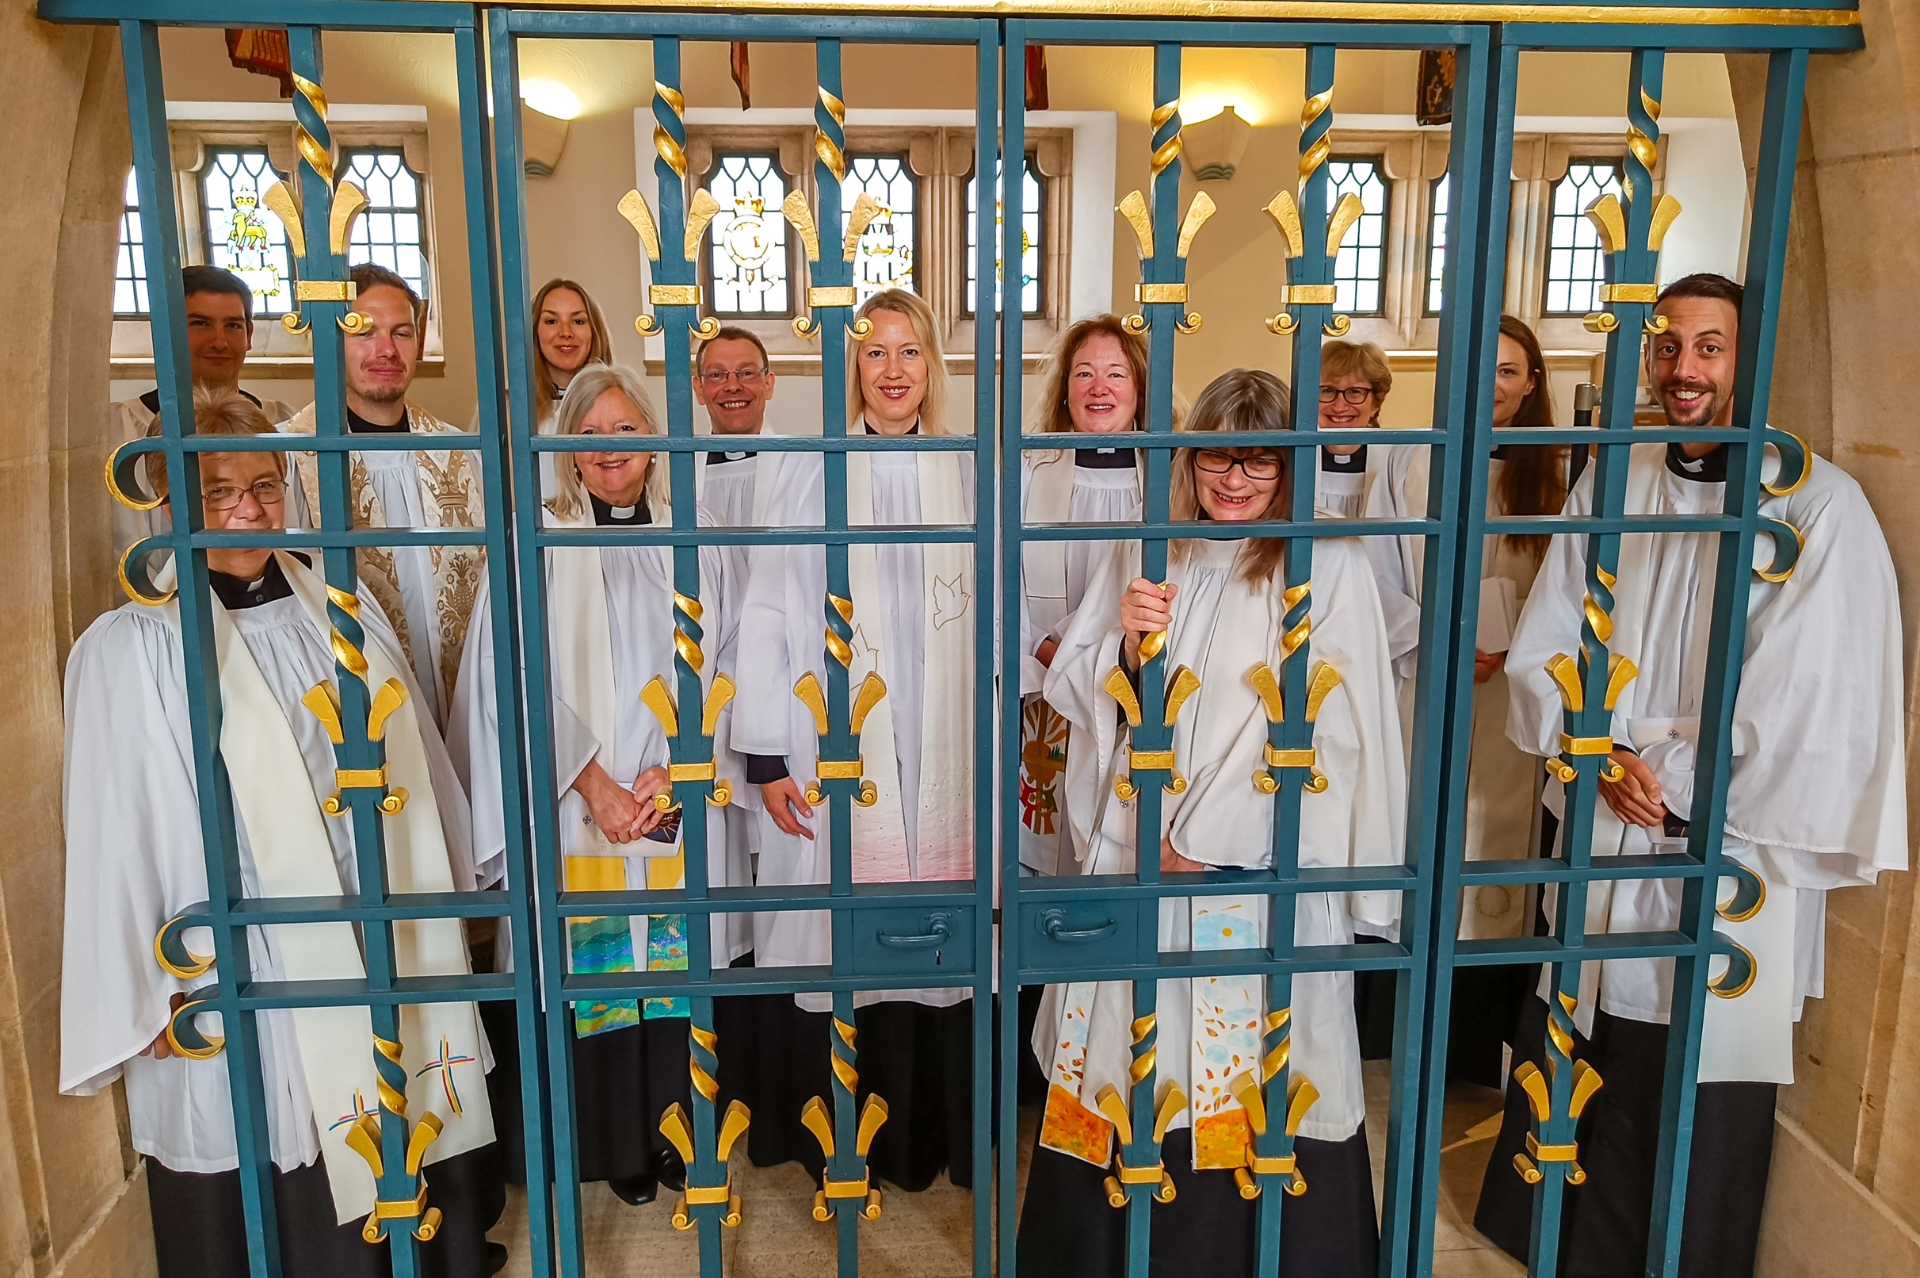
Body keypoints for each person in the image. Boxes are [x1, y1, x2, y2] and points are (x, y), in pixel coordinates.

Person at [1473, 274, 1907, 1277]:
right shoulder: (1612, 481)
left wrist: (1664, 772)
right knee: (1581, 1027)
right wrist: (1596, 750)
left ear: (1751, 362)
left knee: (1696, 1042)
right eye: (1668, 347)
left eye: (1710, 348)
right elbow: (1549, 640)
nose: (1683, 371)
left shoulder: (1816, 505)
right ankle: (1556, 1239)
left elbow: (1814, 696)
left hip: (1725, 831)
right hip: (1606, 798)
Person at [60, 387, 498, 1278]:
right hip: (252, 951)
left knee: (398, 1096)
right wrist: (141, 988)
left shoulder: (343, 611)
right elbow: (115, 830)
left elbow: (412, 762)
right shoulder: (136, 647)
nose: (248, 511)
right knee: (281, 1144)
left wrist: (447, 896)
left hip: (379, 930)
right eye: (219, 493)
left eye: (264, 486)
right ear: (172, 501)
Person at [1017, 369, 1407, 1277]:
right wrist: (1120, 641)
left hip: (1254, 869)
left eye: (1259, 462)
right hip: (1134, 857)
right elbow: (1074, 685)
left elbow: (1339, 731)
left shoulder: (1331, 563)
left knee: (1258, 1070)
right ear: (1188, 460)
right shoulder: (1152, 548)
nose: (1234, 481)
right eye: (1218, 459)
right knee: (1131, 1055)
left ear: (1290, 469)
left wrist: (1211, 839)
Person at [450, 364, 747, 1207]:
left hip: (675, 796)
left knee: (674, 972)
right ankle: (617, 1148)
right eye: (592, 436)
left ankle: (681, 1136)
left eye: (627, 433)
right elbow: (507, 677)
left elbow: (729, 661)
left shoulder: (701, 537)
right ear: (567, 452)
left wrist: (684, 764)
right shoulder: (534, 542)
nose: (612, 451)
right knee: (601, 978)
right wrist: (595, 784)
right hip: (584, 810)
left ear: (652, 444)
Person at [728, 288, 978, 1190]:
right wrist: (763, 755)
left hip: (944, 739)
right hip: (835, 741)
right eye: (875, 354)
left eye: (910, 353)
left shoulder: (968, 466)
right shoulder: (805, 465)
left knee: (938, 931)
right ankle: (840, 1142)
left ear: (931, 369)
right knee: (841, 941)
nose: (894, 370)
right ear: (852, 370)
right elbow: (760, 610)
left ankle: (926, 1137)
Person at [1360, 316, 1569, 1082]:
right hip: (1427, 680)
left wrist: (1525, 653)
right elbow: (1371, 568)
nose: (1494, 386)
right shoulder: (1411, 458)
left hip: (1516, 693)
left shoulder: (1561, 469)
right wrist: (1435, 641)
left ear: (1532, 383)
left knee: (1496, 847)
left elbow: (1580, 582)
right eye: (1481, 370)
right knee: (1417, 832)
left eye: (1511, 372)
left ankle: (1474, 1045)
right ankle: (1393, 1028)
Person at [284, 264, 486, 732]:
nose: (387, 351)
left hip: (469, 708)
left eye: (402, 333)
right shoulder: (292, 456)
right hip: (355, 710)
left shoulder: (459, 450)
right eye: (364, 332)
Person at [1016, 316, 1154, 877]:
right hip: (1046, 691)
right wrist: (1051, 657)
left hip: (1143, 689)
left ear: (1141, 387)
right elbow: (996, 586)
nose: (1100, 388)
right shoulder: (1028, 472)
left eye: (1116, 373)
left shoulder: (1173, 480)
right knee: (1049, 857)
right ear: (1065, 391)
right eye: (1084, 374)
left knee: (1125, 842)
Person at [110, 265, 297, 557]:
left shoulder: (288, 423)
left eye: (233, 325)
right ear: (166, 333)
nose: (219, 341)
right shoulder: (120, 429)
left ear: (249, 334)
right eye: (200, 323)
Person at [528, 278, 613, 498]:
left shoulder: (620, 405)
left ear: (594, 330)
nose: (566, 332)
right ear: (534, 331)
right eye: (551, 321)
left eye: (578, 321)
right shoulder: (508, 412)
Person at [1314, 339, 1393, 519]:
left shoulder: (1394, 462)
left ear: (1376, 402)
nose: (1339, 406)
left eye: (1355, 392)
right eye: (1327, 390)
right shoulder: (1291, 459)